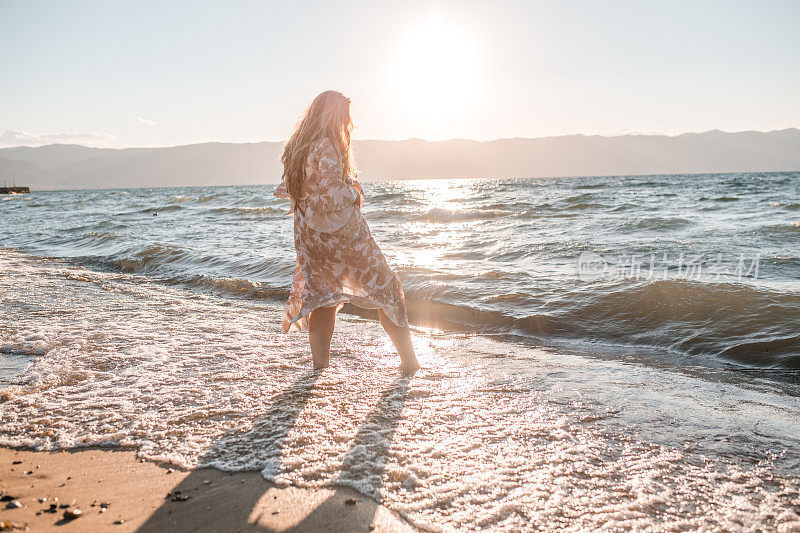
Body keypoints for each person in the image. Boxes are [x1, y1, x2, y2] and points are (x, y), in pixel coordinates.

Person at [274, 90, 420, 374]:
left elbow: (299, 191)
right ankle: (409, 361)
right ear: (333, 116)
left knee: (324, 296)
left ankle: (320, 367)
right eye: (344, 115)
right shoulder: (327, 146)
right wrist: (353, 192)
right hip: (343, 234)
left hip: (310, 236)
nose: (348, 122)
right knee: (388, 290)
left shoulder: (297, 150)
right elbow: (328, 191)